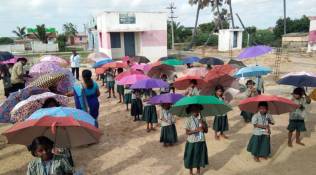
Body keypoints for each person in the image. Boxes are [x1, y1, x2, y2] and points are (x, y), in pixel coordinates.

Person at [184, 104, 209, 175]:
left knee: (199, 156)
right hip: (191, 142)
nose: (196, 111)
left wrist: (202, 122)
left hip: (201, 141)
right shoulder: (188, 119)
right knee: (190, 156)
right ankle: (191, 172)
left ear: (200, 110)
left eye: (197, 110)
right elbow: (187, 132)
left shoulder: (203, 118)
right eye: (194, 110)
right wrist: (196, 130)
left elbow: (206, 131)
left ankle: (198, 171)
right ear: (191, 111)